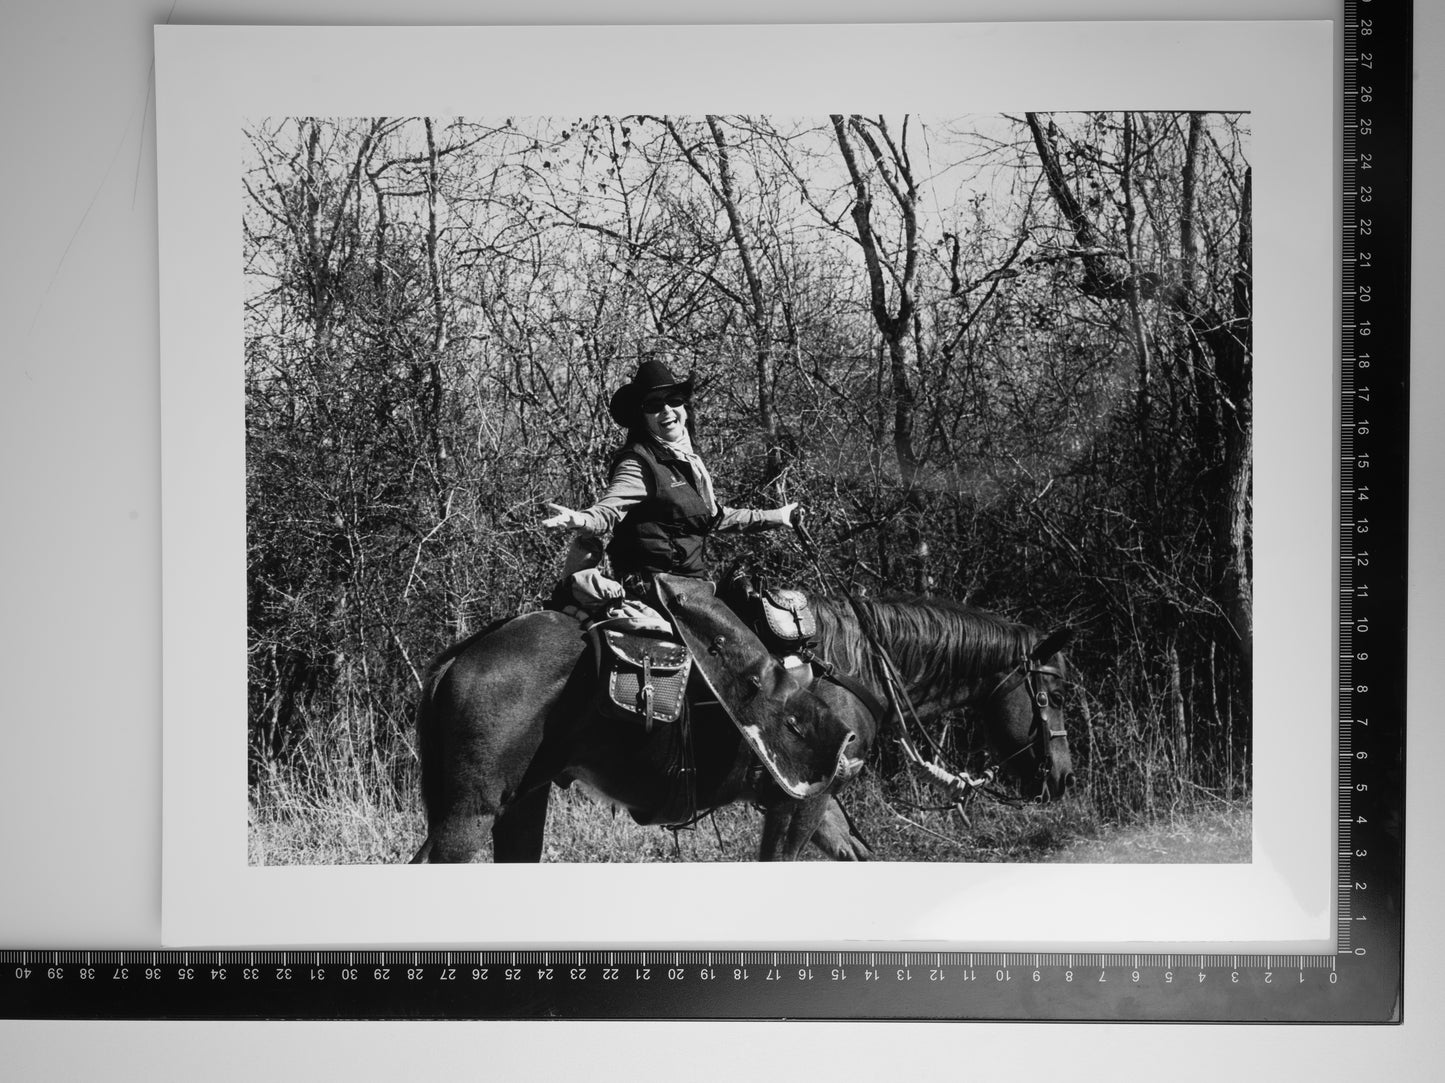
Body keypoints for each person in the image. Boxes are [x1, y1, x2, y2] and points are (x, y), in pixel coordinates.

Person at [542, 356, 797, 609]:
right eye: (653, 405)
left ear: (684, 408)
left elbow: (715, 517)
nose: (666, 410)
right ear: (642, 417)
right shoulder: (638, 462)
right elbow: (608, 510)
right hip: (656, 588)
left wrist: (780, 515)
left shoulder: (685, 464)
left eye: (674, 400)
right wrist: (582, 519)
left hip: (691, 587)